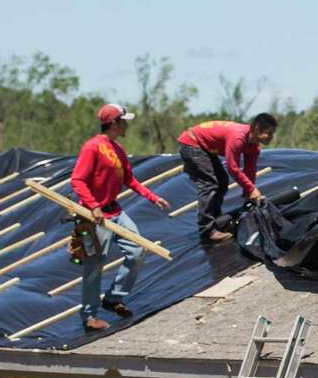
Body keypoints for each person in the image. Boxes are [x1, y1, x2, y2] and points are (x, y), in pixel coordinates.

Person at [71, 103, 171, 332]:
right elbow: (77, 180)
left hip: (114, 210)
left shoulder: (116, 149)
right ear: (115, 123)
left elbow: (129, 179)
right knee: (94, 265)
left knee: (137, 250)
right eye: (124, 121)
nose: (127, 125)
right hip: (93, 216)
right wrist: (93, 206)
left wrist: (152, 197)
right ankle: (89, 316)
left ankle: (114, 298)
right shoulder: (93, 147)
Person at [177, 113, 277, 242]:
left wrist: (248, 193)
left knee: (222, 181)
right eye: (268, 133)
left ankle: (217, 221)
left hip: (205, 148)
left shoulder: (253, 146)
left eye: (272, 134)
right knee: (209, 184)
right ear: (257, 128)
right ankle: (206, 231)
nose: (271, 137)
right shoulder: (238, 137)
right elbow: (232, 168)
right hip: (192, 144)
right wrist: (251, 189)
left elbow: (250, 170)